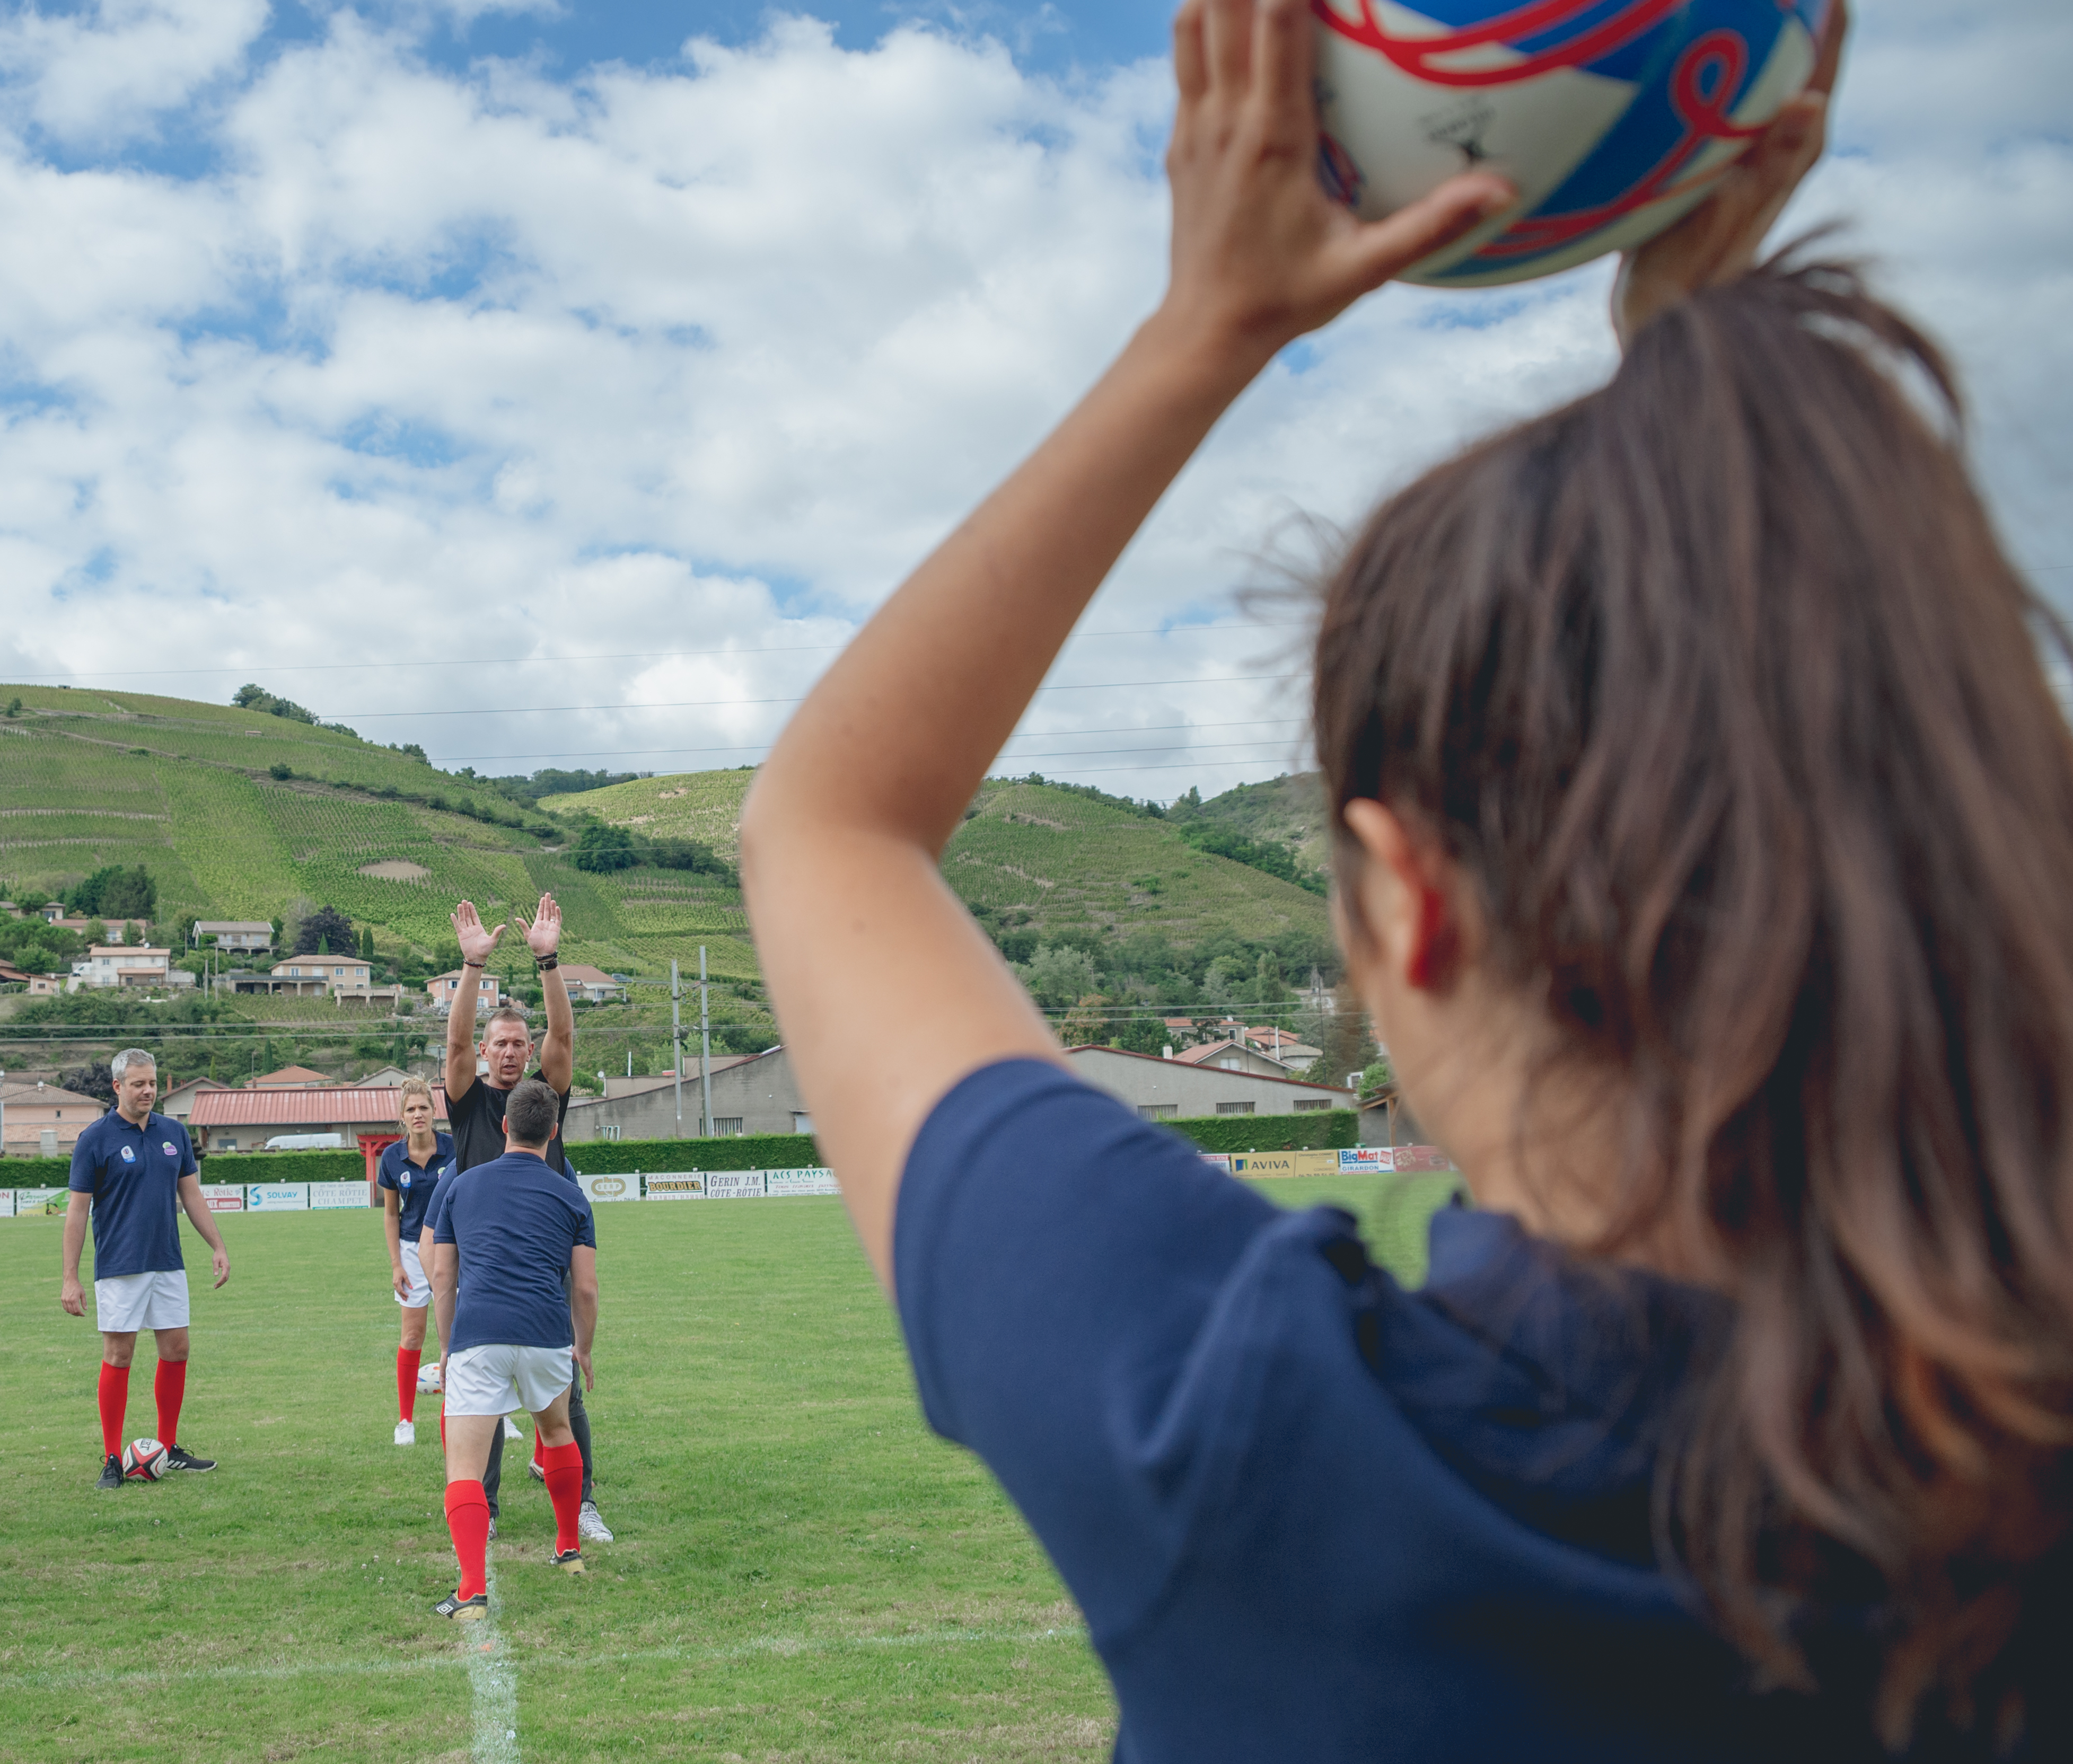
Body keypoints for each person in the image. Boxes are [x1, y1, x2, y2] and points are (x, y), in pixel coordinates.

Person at [742, 3, 2069, 1757]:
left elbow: (832, 820)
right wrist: (1706, 420)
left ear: (1409, 896)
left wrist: (1209, 322)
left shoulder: (1253, 1433)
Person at [440, 894, 607, 1538]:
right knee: (476, 1393)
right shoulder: (467, 1101)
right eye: (499, 1044)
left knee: (566, 1388)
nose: (510, 1053)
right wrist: (472, 969)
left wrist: (548, 961)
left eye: (518, 1043)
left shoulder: (542, 1099)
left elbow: (564, 1036)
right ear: (485, 1053)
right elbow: (453, 1040)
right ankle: (485, 1508)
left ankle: (582, 1502)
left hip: (546, 1255)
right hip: (483, 1260)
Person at [425, 1080, 596, 1620]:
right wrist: (583, 1348)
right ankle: (568, 1550)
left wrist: (448, 1347)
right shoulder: (571, 1194)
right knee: (557, 1432)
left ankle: (472, 1590)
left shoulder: (462, 1184)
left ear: (503, 1126)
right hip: (547, 1336)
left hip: (479, 1335)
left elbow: (442, 1276)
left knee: (465, 1467)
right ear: (553, 1131)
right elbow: (586, 1287)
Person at [60, 1048, 227, 1488]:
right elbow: (77, 1212)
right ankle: (113, 1459)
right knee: (120, 1355)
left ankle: (168, 1449)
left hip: (168, 1263)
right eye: (138, 1084)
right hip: (119, 1266)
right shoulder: (95, 1139)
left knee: (177, 1350)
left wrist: (217, 1245)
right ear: (118, 1087)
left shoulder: (173, 1132)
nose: (148, 1090)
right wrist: (70, 1277)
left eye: (152, 1083)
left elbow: (191, 1196)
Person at [378, 1077, 452, 1446]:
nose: (418, 1114)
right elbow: (391, 1215)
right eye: (411, 1109)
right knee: (412, 1336)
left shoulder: (456, 1149)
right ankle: (405, 1420)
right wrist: (396, 1264)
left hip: (453, 1248)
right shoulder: (392, 1158)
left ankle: (495, 1415)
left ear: (434, 1112)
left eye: (424, 1107)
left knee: (464, 1337)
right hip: (411, 1250)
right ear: (402, 1117)